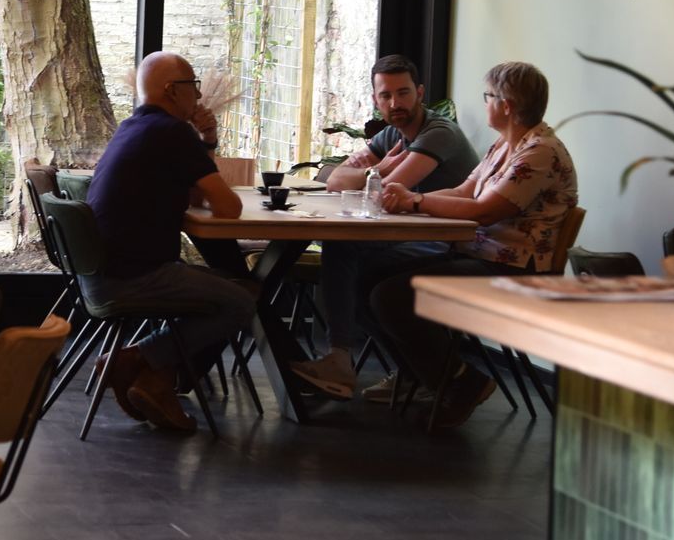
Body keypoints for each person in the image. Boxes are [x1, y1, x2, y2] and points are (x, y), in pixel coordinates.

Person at [364, 60, 579, 427]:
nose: (486, 104)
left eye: (488, 97)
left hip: (510, 269)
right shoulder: (507, 144)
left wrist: (416, 201)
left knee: (393, 295)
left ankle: (462, 383)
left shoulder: (540, 152)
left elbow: (484, 211)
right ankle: (423, 376)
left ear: (506, 105)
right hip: (481, 255)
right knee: (368, 273)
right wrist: (406, 197)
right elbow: (465, 191)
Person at [86, 51, 257, 433]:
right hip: (136, 276)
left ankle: (154, 378)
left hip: (100, 275)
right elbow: (228, 208)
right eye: (193, 87)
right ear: (172, 90)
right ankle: (137, 363)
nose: (198, 97)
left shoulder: (134, 126)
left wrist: (207, 140)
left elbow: (197, 198)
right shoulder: (171, 132)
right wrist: (198, 141)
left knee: (224, 288)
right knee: (243, 301)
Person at [292, 54, 479, 399]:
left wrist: (375, 174)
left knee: (349, 256)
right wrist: (372, 172)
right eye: (386, 96)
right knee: (349, 258)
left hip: (450, 245)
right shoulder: (393, 134)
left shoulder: (439, 132)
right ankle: (407, 371)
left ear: (420, 93)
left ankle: (344, 361)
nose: (396, 103)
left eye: (404, 93)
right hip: (407, 235)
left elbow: (387, 192)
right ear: (376, 100)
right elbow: (331, 177)